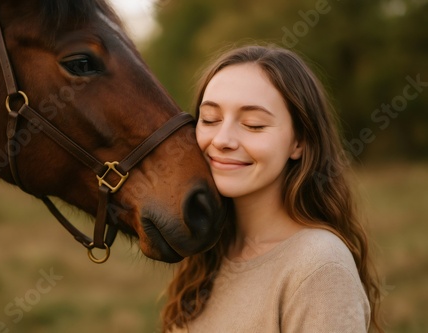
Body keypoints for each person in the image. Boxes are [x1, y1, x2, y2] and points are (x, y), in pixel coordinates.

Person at [160, 45, 383, 332]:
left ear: (298, 142)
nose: (222, 139)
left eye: (253, 125)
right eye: (210, 119)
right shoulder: (209, 251)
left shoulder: (319, 266)